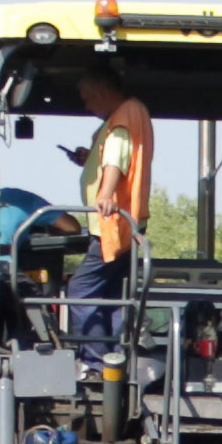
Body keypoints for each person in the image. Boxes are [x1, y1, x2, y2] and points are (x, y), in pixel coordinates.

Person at [63, 72, 154, 361]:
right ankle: (118, 357)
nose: (87, 106)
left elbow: (116, 157)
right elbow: (109, 155)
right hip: (126, 223)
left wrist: (106, 194)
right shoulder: (129, 114)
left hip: (110, 224)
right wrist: (88, 156)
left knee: (80, 290)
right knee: (115, 294)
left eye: (88, 98)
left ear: (102, 90)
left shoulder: (123, 117)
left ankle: (94, 359)